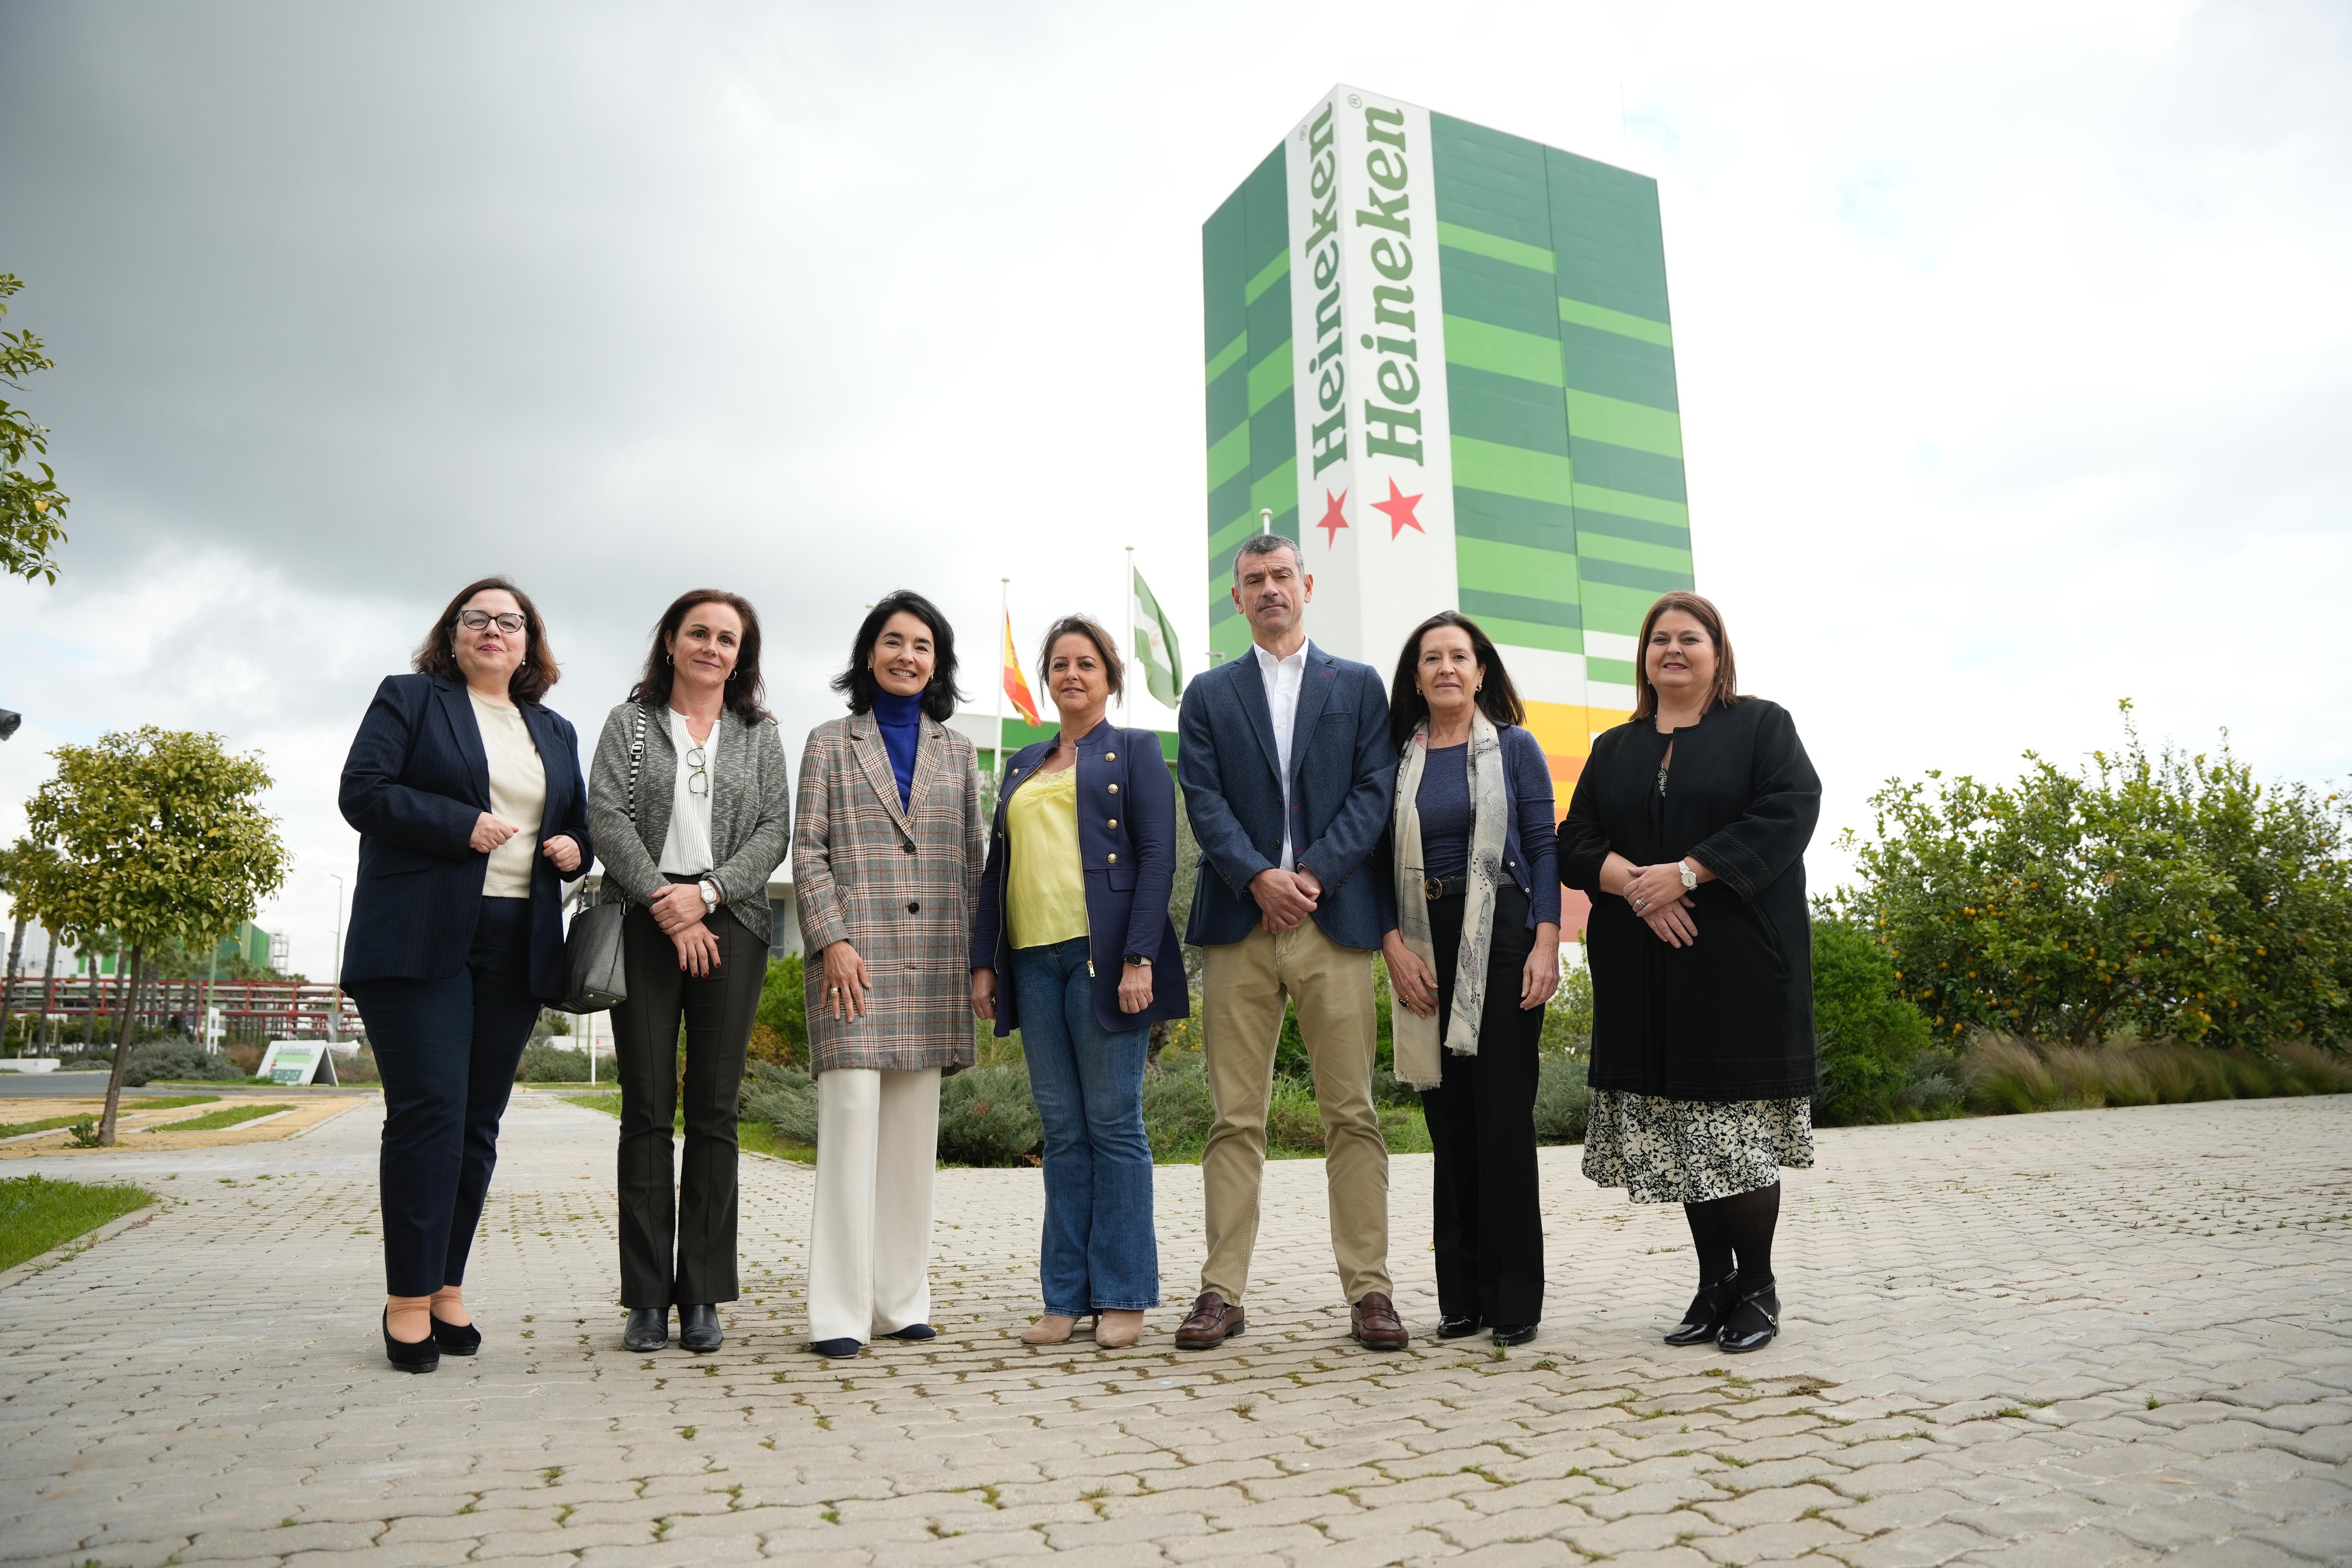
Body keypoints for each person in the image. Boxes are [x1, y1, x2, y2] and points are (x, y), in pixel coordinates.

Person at [339, 577, 593, 1374]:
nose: (493, 629)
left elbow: (575, 823)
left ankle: (447, 1284)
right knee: (429, 1113)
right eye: (476, 618)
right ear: (452, 635)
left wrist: (574, 850)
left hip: (517, 940)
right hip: (420, 933)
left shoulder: (553, 729)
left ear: (529, 642)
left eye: (509, 621)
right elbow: (363, 792)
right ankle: (406, 1299)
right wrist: (462, 825)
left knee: (478, 1121)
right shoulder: (410, 700)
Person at [1558, 591, 1822, 1354]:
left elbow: (1789, 809)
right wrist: (1641, 887)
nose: (1673, 649)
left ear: (1717, 651)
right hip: (1646, 977)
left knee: (1733, 1142)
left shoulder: (1762, 726)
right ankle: (1714, 1285)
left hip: (1735, 973)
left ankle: (1760, 1288)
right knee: (1681, 1142)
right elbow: (1576, 840)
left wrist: (1691, 872)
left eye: (1690, 638)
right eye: (1659, 639)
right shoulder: (1615, 749)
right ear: (1644, 657)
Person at [1173, 533, 1405, 1352]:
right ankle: (1221, 1291)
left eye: (1281, 576)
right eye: (1252, 580)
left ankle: (1370, 1291)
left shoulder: (1360, 686)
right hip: (1240, 926)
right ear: (1236, 598)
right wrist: (1256, 878)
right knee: (1236, 1118)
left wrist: (1308, 874)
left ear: (1306, 585)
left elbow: (1375, 790)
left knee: (1353, 1113)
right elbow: (1200, 795)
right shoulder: (1207, 694)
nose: (1269, 589)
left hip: (1332, 921)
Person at [970, 616, 1188, 1349]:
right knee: (1062, 1134)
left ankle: (1123, 1295)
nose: (1071, 674)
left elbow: (1158, 857)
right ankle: (1063, 1298)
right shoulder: (1024, 764)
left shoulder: (1135, 751)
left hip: (1104, 961)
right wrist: (983, 962)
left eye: (1085, 663)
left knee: (1114, 1125)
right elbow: (995, 871)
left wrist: (1139, 959)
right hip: (1033, 962)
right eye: (1059, 663)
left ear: (1109, 676)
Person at [588, 590, 792, 1354]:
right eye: (698, 633)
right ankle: (646, 1296)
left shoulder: (758, 734)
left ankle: (701, 1292)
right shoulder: (629, 725)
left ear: (742, 655)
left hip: (731, 923)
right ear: (670, 642)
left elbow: (775, 828)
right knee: (646, 1105)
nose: (712, 646)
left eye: (727, 638)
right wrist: (665, 902)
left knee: (713, 1111)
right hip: (644, 921)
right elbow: (605, 814)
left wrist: (705, 895)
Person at [793, 590, 986, 1359]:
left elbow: (971, 860)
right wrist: (832, 939)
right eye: (894, 641)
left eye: (924, 646)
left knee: (911, 1143)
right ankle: (838, 1311)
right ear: (869, 652)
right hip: (854, 965)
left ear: (937, 663)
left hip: (933, 963)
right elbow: (807, 850)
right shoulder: (829, 743)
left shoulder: (961, 752)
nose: (908, 656)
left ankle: (900, 1298)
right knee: (849, 1136)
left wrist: (978, 963)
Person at [1378, 612, 1561, 1347]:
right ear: (1416, 677)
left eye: (1460, 656)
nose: (1447, 667)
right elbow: (1370, 861)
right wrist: (1392, 945)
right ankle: (1462, 1297)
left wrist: (1548, 941)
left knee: (1502, 1120)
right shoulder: (1397, 759)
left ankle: (1514, 1300)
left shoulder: (1516, 748)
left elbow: (1546, 846)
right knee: (1450, 1126)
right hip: (1424, 939)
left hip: (1507, 936)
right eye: (1432, 658)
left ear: (1482, 670)